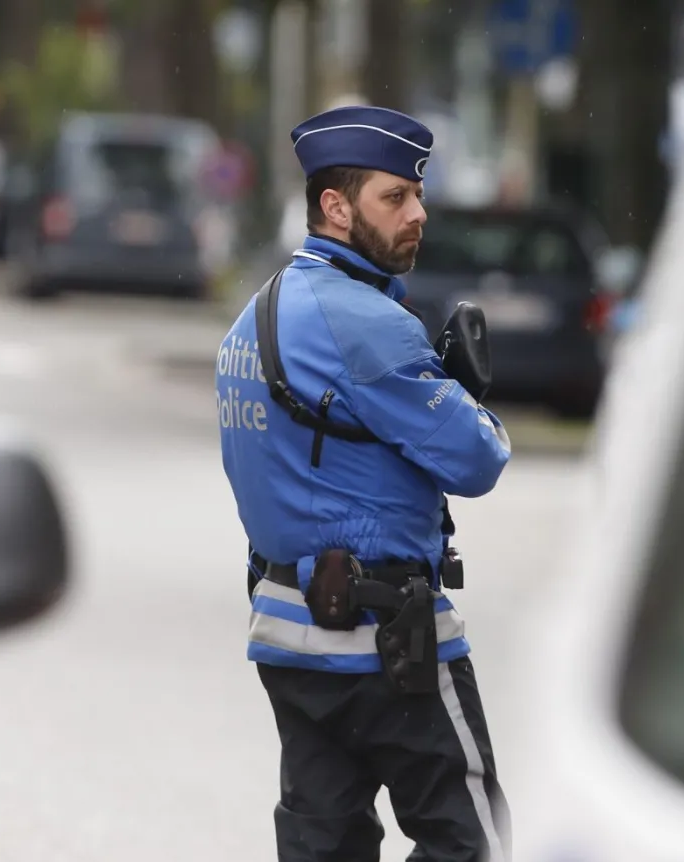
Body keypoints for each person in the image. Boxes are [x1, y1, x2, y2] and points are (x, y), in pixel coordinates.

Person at [216, 105, 513, 861]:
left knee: (325, 847)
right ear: (335, 207)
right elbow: (477, 460)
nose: (418, 213)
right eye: (395, 197)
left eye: (418, 194)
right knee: (470, 841)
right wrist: (466, 398)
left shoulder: (251, 321)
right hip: (391, 647)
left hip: (290, 641)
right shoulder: (369, 325)